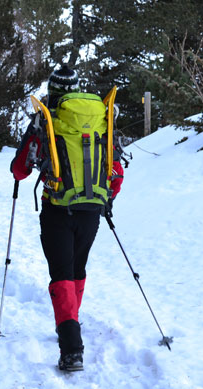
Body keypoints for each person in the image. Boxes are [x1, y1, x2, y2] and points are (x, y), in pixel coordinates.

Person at [10, 65, 124, 372]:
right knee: (77, 268)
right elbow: (116, 170)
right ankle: (70, 322)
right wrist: (106, 199)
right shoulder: (99, 118)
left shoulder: (45, 121)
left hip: (58, 208)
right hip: (92, 210)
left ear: (53, 91)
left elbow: (20, 169)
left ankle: (71, 347)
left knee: (61, 272)